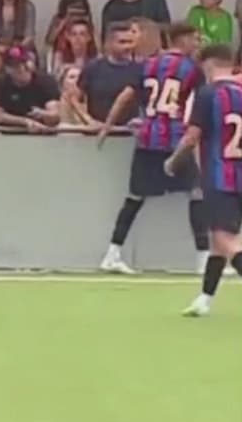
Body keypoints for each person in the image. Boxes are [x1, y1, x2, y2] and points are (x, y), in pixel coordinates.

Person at [97, 22, 206, 275]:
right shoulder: (192, 69)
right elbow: (200, 104)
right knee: (196, 194)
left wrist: (107, 126)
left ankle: (112, 253)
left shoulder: (148, 65)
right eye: (194, 39)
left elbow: (125, 96)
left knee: (135, 197)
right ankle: (203, 258)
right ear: (182, 39)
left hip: (148, 138)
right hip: (176, 139)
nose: (197, 44)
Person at [167, 45, 242, 316]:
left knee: (226, 239)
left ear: (208, 65)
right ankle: (204, 299)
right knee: (217, 244)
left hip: (221, 177)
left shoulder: (208, 93)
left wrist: (173, 161)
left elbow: (192, 136)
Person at [0, 46, 60, 132]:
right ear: (7, 69)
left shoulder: (47, 82)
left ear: (31, 63)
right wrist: (25, 122)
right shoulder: (0, 84)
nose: (21, 68)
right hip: (10, 133)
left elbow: (55, 115)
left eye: (23, 63)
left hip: (42, 132)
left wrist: (43, 114)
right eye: (14, 65)